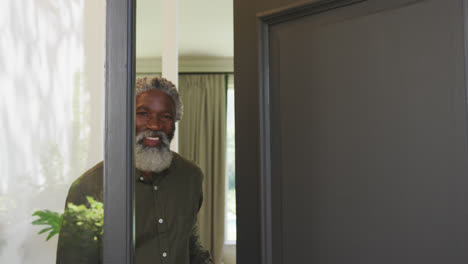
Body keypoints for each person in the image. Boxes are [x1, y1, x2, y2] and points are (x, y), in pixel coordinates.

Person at [56, 77, 213, 264]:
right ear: (127, 118)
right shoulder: (89, 188)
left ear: (175, 123)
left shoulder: (191, 176)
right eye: (143, 114)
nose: (154, 125)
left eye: (165, 116)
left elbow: (189, 244)